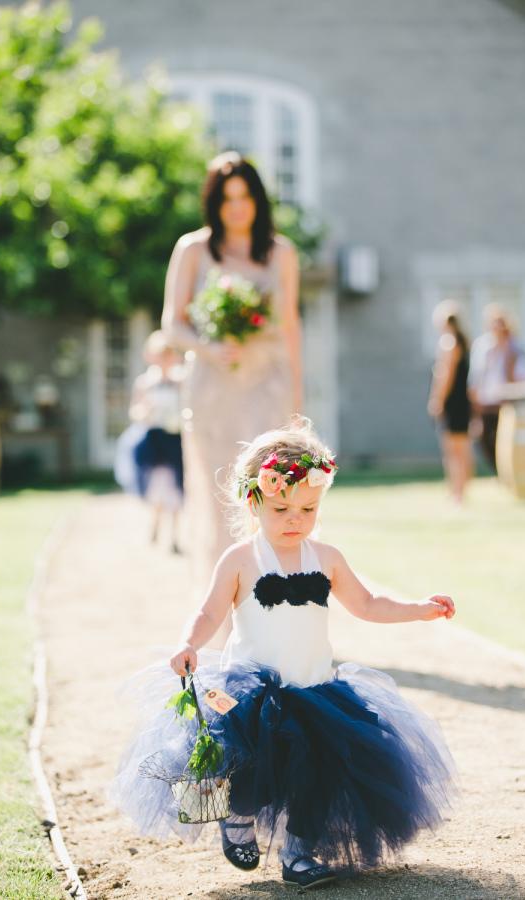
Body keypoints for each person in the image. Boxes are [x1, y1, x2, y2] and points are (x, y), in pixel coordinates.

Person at [111, 419, 456, 889]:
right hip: (254, 695)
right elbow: (210, 612)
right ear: (253, 502)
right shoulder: (240, 559)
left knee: (320, 773)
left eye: (308, 508)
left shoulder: (327, 557)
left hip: (316, 692)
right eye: (282, 508)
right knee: (251, 772)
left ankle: (299, 854)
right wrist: (189, 642)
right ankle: (236, 820)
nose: (295, 519)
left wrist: (418, 610)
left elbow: (368, 604)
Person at [161, 151, 303, 647]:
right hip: (212, 391)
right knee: (220, 504)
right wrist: (208, 345)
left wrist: (298, 411)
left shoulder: (282, 253)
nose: (236, 208)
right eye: (227, 199)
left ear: (257, 201)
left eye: (244, 197)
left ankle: (277, 619)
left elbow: (290, 328)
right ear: (215, 203)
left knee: (273, 501)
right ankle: (220, 627)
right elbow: (171, 324)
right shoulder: (194, 251)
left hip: (268, 388)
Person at [114, 330, 185, 554]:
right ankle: (154, 523)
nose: (165, 359)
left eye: (168, 354)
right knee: (156, 484)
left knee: (175, 486)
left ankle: (174, 534)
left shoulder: (180, 380)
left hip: (174, 438)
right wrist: (145, 413)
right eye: (160, 355)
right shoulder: (145, 382)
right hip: (154, 439)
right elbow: (135, 410)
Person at [468, 305, 525, 471]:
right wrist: (474, 406)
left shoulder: (517, 348)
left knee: (506, 441)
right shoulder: (483, 347)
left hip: (507, 403)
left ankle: (506, 473)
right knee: (485, 441)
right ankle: (498, 472)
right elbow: (475, 378)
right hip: (486, 403)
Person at [428, 301, 472, 503]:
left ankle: (457, 492)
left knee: (453, 451)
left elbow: (445, 375)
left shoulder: (449, 342)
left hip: (453, 403)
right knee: (462, 449)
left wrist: (438, 399)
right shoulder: (463, 341)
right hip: (462, 401)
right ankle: (459, 491)